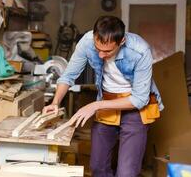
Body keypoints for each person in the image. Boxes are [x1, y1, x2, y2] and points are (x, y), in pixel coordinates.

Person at [42, 16, 164, 176]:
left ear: (122, 41)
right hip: (107, 101)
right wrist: (55, 102)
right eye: (97, 48)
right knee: (98, 167)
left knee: (126, 173)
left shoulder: (140, 50)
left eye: (107, 51)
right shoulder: (87, 42)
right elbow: (68, 76)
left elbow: (139, 99)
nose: (100, 55)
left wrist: (96, 105)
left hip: (134, 108)